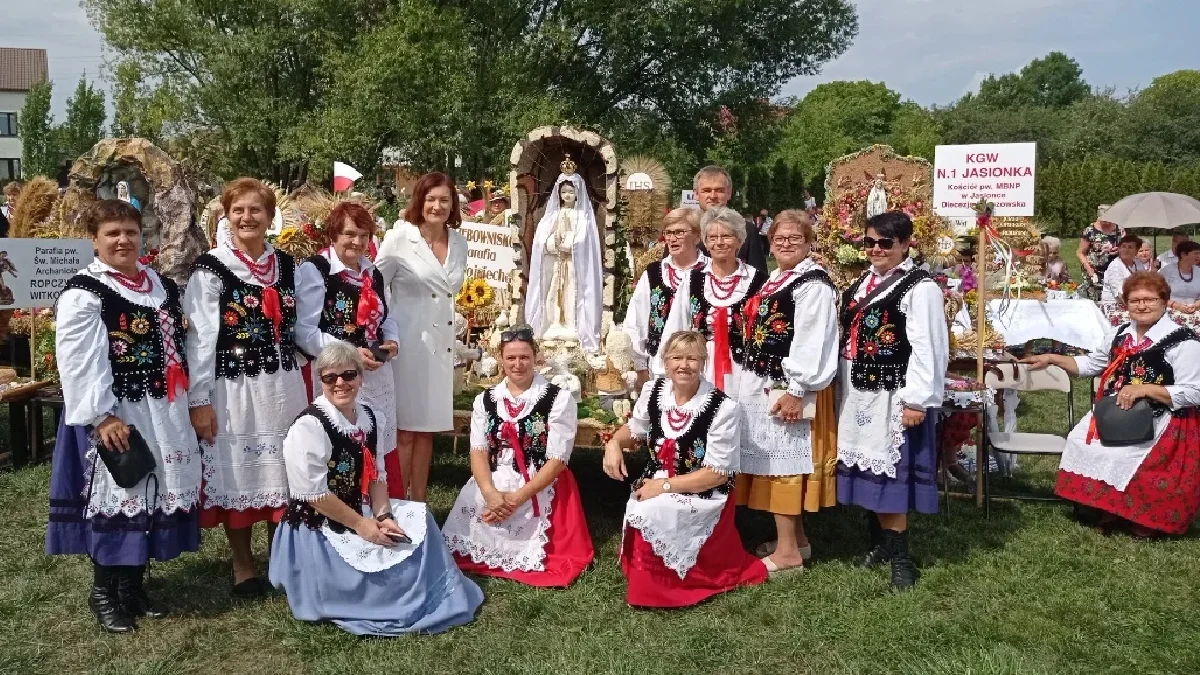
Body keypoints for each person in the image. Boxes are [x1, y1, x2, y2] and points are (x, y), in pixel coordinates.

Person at [47, 200, 201, 632]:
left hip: (163, 408)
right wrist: (103, 417)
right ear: (94, 240)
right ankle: (103, 593)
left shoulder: (161, 285)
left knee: (151, 492)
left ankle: (132, 587)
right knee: (119, 496)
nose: (123, 240)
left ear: (142, 237)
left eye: (130, 231)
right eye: (112, 233)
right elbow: (78, 361)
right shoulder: (85, 292)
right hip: (119, 411)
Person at [270, 342, 483, 635]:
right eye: (330, 377)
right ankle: (388, 598)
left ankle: (425, 592)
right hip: (317, 525)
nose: (340, 383)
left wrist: (383, 516)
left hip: (360, 510)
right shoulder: (309, 427)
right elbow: (314, 496)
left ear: (361, 377)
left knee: (421, 519)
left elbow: (376, 476)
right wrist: (363, 526)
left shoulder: (370, 418)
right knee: (380, 567)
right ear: (320, 381)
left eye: (348, 374)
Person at [185, 177, 309, 598]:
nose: (246, 217)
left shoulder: (289, 267)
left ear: (271, 217)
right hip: (234, 386)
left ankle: (280, 557)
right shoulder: (212, 269)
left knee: (284, 471)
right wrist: (199, 401)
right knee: (239, 474)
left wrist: (345, 356)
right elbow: (201, 338)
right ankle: (242, 565)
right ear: (226, 216)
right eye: (237, 210)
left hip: (284, 384)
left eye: (256, 209)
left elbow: (304, 330)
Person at [1025, 272, 1200, 538]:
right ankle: (1108, 510)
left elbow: (1195, 391)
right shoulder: (1120, 334)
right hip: (1120, 412)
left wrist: (1146, 390)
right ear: (1125, 304)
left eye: (1149, 300)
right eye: (1134, 301)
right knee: (1080, 441)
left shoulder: (1182, 342)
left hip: (1164, 418)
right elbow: (1093, 364)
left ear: (1164, 302)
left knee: (1129, 457)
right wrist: (1051, 358)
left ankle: (1143, 520)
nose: (1142, 306)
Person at [603, 331, 767, 607]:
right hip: (658, 480)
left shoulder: (722, 408)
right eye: (676, 357)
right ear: (665, 363)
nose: (683, 365)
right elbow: (635, 430)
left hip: (703, 490)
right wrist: (613, 445)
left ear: (703, 363)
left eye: (692, 359)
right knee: (648, 505)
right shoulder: (654, 392)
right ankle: (651, 582)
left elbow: (717, 473)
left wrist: (663, 486)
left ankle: (665, 589)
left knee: (649, 508)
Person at [837, 211, 947, 590]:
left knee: (890, 476)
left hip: (893, 393)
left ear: (904, 244)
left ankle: (902, 557)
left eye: (885, 243)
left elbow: (929, 348)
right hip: (857, 391)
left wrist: (917, 400)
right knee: (869, 472)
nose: (876, 250)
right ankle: (879, 544)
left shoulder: (920, 287)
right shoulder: (863, 283)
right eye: (869, 242)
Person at [442, 325, 593, 587]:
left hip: (540, 477)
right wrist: (489, 492)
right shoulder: (486, 400)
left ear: (536, 358)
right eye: (511, 358)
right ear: (501, 359)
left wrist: (517, 497)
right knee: (476, 498)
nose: (518, 364)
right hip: (494, 473)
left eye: (524, 357)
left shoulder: (558, 399)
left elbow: (557, 460)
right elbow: (478, 451)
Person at [733, 210, 839, 574]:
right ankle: (798, 541)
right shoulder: (778, 278)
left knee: (785, 466)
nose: (786, 244)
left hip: (794, 386)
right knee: (778, 461)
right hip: (772, 381)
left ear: (809, 243)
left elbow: (812, 339)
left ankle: (789, 554)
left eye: (795, 238)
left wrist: (797, 389)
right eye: (779, 239)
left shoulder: (813, 284)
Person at [295, 201, 401, 494]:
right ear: (333, 235)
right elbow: (305, 333)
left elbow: (387, 318)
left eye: (364, 235)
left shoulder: (373, 273)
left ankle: (381, 508)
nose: (357, 242)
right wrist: (351, 354)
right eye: (350, 234)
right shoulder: (317, 270)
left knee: (378, 438)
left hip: (376, 373)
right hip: (337, 377)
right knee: (342, 442)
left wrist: (392, 341)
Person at [376, 172, 468, 502]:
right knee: (405, 432)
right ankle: (398, 503)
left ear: (453, 204)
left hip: (440, 349)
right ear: (419, 201)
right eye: (431, 199)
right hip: (407, 344)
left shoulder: (459, 242)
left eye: (444, 200)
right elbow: (375, 284)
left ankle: (420, 504)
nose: (437, 206)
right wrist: (383, 328)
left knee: (427, 430)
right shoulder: (401, 237)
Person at [653, 206, 767, 393]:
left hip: (747, 373)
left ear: (739, 240)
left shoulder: (758, 282)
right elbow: (676, 326)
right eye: (712, 238)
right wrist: (663, 374)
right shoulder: (693, 280)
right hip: (701, 369)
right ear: (705, 242)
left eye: (727, 236)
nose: (719, 243)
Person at [622, 207, 708, 388]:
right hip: (659, 368)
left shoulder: (711, 271)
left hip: (703, 369)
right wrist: (640, 367)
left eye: (679, 232)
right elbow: (635, 321)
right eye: (668, 232)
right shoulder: (654, 273)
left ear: (697, 236)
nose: (672, 238)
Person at [693, 165, 767, 272]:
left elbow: (759, 277)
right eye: (707, 190)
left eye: (719, 190)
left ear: (729, 193)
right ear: (696, 194)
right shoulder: (682, 229)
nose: (713, 196)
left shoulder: (747, 230)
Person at [1077, 219, 1124, 301]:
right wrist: (1089, 269)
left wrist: (1120, 250)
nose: (1107, 222)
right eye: (1104, 219)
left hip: (1115, 272)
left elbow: (1127, 248)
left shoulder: (1119, 230)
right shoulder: (1090, 231)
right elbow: (1080, 252)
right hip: (1095, 273)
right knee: (1095, 303)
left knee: (1117, 300)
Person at [1101, 234, 1144, 304]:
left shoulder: (1138, 263)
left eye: (1130, 247)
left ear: (1136, 251)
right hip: (1114, 305)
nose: (1126, 250)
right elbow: (1120, 295)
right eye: (1123, 246)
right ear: (1119, 249)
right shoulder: (1115, 266)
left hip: (1134, 302)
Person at [1162, 241, 1200, 313]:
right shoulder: (1167, 271)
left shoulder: (1199, 272)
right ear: (1183, 254)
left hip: (1194, 312)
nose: (1198, 256)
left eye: (1199, 253)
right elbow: (1158, 297)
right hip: (1170, 311)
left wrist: (1195, 305)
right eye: (1196, 253)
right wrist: (1176, 305)